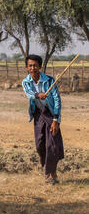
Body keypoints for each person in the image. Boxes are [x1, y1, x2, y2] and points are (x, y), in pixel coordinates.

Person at [22, 54, 64, 185]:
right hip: (38, 115)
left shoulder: (50, 81)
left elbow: (57, 100)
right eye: (30, 66)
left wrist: (56, 120)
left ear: (40, 66)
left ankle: (52, 174)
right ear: (27, 67)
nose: (33, 68)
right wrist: (37, 95)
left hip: (51, 114)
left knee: (52, 144)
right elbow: (28, 93)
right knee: (40, 144)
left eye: (35, 65)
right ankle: (47, 166)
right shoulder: (26, 81)